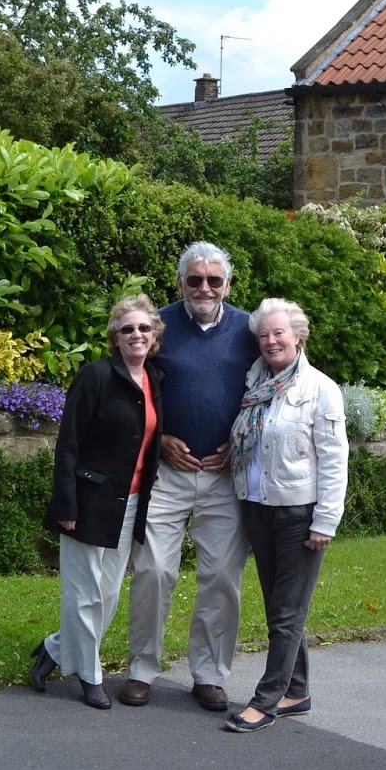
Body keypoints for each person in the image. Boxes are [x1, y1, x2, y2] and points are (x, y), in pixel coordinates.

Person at [119, 242, 259, 711]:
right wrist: (158, 441)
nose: (204, 287)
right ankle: (141, 669)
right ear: (180, 282)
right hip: (167, 473)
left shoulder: (248, 331)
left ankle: (209, 675)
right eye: (194, 279)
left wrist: (237, 446)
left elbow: (271, 389)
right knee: (154, 570)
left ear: (227, 285)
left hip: (225, 474)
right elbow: (130, 392)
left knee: (221, 575)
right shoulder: (156, 326)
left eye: (213, 280)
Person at [28, 294, 164, 709]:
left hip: (130, 503)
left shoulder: (155, 379)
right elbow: (67, 445)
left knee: (107, 596)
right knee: (83, 594)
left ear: (155, 334)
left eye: (143, 328)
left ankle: (53, 649)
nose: (136, 335)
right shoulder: (95, 377)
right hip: (88, 503)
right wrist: (66, 505)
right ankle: (90, 676)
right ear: (115, 337)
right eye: (127, 329)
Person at [223, 298, 348, 733]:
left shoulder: (319, 389)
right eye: (264, 335)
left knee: (286, 613)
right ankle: (297, 691)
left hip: (299, 513)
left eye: (279, 333)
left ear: (298, 336)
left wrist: (325, 521)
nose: (271, 341)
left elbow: (335, 460)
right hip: (258, 507)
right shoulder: (254, 383)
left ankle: (267, 699)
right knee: (281, 606)